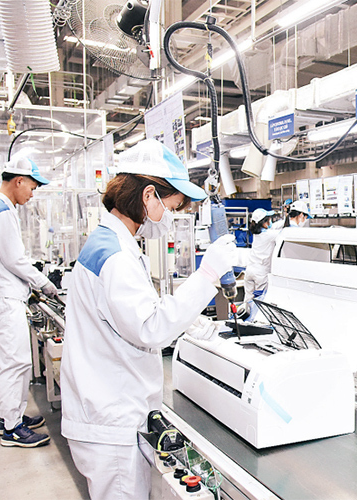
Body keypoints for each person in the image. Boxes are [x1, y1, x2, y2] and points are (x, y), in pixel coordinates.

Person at [60, 139, 239, 500]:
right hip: (112, 419)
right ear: (148, 196)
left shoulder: (111, 243)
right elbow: (150, 328)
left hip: (107, 408)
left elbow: (127, 313)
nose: (170, 217)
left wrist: (189, 320)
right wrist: (207, 276)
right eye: (171, 206)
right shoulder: (116, 255)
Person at [0, 156, 57, 448]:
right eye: (31, 188)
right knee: (15, 363)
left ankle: (9, 417)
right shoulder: (2, 212)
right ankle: (13, 429)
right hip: (3, 300)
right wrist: (44, 283)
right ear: (19, 181)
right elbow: (13, 259)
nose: (32, 194)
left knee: (3, 363)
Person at [242, 208, 277, 313]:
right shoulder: (269, 235)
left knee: (247, 302)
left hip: (249, 271)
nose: (271, 222)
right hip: (260, 274)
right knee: (260, 302)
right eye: (269, 220)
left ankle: (245, 321)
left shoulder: (256, 234)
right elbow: (284, 233)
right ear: (264, 222)